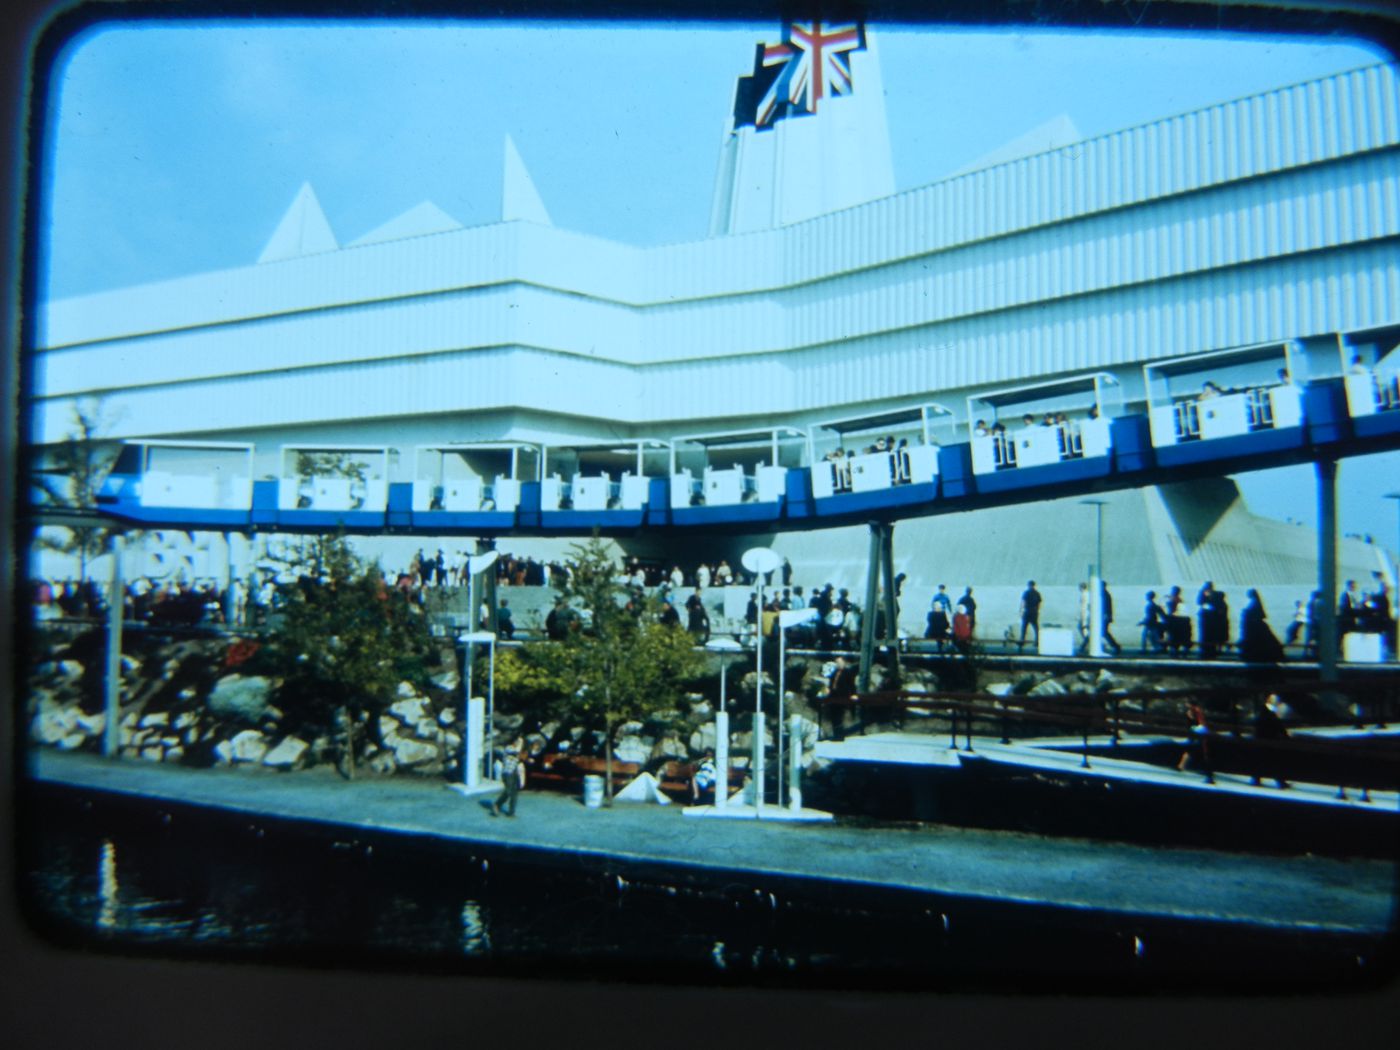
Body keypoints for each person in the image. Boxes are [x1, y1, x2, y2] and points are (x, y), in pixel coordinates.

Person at [1239, 588, 1284, 663]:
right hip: (1257, 625)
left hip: (1255, 626)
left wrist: (1245, 611)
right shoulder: (1256, 601)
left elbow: (1251, 612)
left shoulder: (1254, 602)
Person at [1176, 700, 1212, 781]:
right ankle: (1182, 766)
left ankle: (1207, 772)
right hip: (1193, 733)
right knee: (1191, 749)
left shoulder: (1197, 711)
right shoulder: (1190, 712)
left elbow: (1202, 723)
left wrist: (1199, 730)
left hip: (1198, 733)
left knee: (1199, 751)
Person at [491, 736, 526, 817]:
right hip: (507, 772)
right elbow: (517, 751)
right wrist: (521, 742)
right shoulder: (508, 748)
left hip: (515, 772)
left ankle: (511, 812)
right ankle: (497, 804)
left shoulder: (518, 751)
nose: (519, 743)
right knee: (508, 791)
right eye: (517, 741)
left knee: (514, 793)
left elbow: (522, 757)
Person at [925, 586, 952, 652]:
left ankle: (942, 644)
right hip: (939, 613)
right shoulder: (936, 596)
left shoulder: (946, 596)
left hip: (942, 612)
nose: (941, 590)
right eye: (940, 589)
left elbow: (948, 604)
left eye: (942, 589)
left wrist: (950, 611)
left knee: (943, 626)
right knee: (943, 628)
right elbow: (933, 604)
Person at [1098, 580, 1121, 655]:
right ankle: (1113, 646)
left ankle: (1115, 646)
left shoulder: (1104, 594)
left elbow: (1106, 607)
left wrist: (1106, 616)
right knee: (1103, 632)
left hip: (1104, 617)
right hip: (1105, 616)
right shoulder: (1105, 594)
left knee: (1104, 632)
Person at [1018, 580, 1042, 651]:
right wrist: (1037, 610)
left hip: (1027, 611)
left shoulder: (1026, 592)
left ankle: (1022, 641)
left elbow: (1024, 602)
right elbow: (1039, 604)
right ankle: (1037, 641)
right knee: (1036, 628)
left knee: (1024, 627)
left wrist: (1021, 611)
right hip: (1034, 612)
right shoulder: (1037, 593)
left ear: (1028, 585)